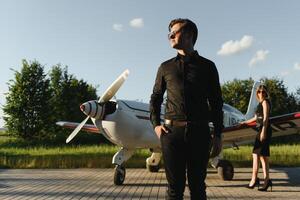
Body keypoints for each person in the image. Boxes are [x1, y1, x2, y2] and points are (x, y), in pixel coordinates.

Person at [149, 18, 223, 200]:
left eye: (175, 32)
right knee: (174, 189)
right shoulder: (165, 67)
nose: (170, 36)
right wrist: (156, 126)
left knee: (198, 187)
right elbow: (155, 98)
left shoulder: (208, 66)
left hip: (200, 133)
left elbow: (216, 103)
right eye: (169, 33)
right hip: (171, 133)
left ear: (189, 35)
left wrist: (219, 135)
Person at [240, 84, 272, 192]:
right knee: (262, 157)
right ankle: (265, 181)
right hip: (261, 129)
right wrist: (245, 122)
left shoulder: (265, 102)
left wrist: (263, 131)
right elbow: (255, 118)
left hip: (264, 130)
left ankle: (255, 180)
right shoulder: (259, 104)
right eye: (259, 92)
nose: (261, 93)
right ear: (257, 93)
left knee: (257, 155)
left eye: (263, 92)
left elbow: (266, 117)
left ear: (266, 93)